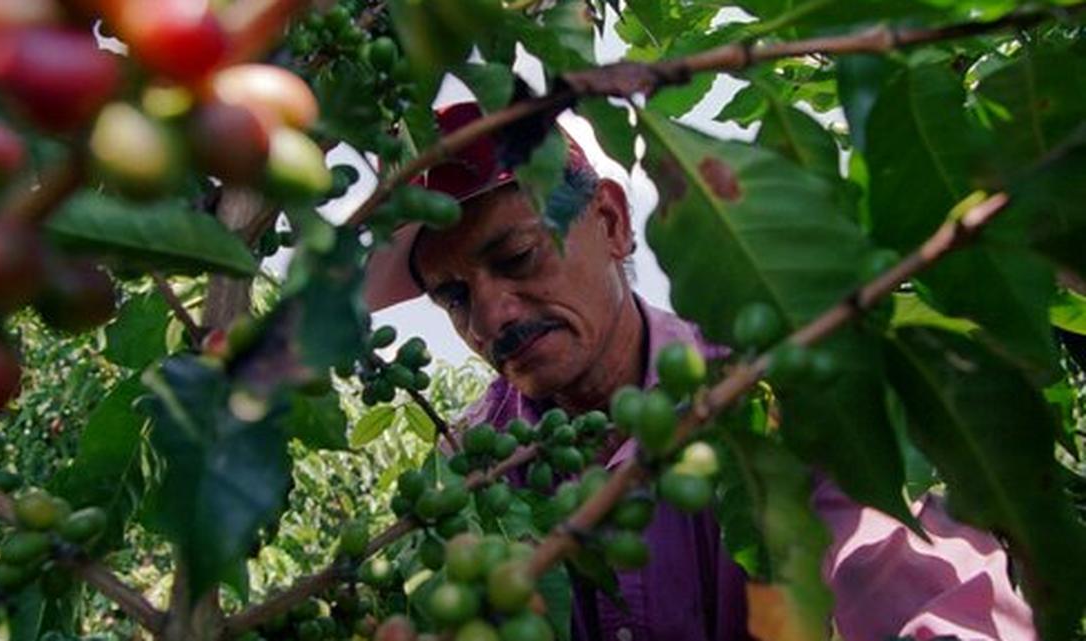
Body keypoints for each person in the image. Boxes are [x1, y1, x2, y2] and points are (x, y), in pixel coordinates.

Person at [363, 102, 1036, 641]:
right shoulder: (471, 464)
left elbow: (913, 581)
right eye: (453, 296)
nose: (490, 316)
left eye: (517, 256)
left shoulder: (765, 391)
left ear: (612, 221)